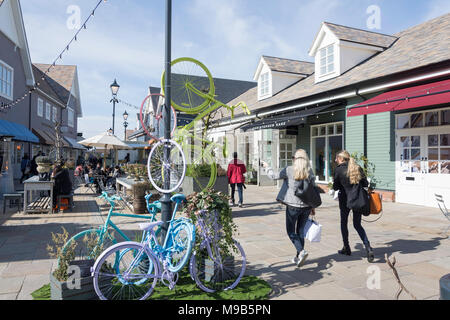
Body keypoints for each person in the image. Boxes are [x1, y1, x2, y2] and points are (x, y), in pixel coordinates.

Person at [262, 149, 316, 268]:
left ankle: (301, 252)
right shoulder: (310, 171)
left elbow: (273, 176)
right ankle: (298, 257)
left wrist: (267, 167)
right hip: (306, 206)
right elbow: (312, 190)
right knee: (300, 231)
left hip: (293, 206)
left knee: (291, 231)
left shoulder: (289, 170)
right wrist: (312, 207)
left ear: (295, 159)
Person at [333, 150, 374, 262]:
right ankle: (368, 247)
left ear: (341, 159)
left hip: (345, 201)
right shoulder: (357, 168)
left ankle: (346, 247)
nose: (336, 160)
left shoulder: (338, 170)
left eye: (337, 158)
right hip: (357, 200)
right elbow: (365, 183)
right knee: (357, 225)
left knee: (344, 223)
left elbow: (335, 187)